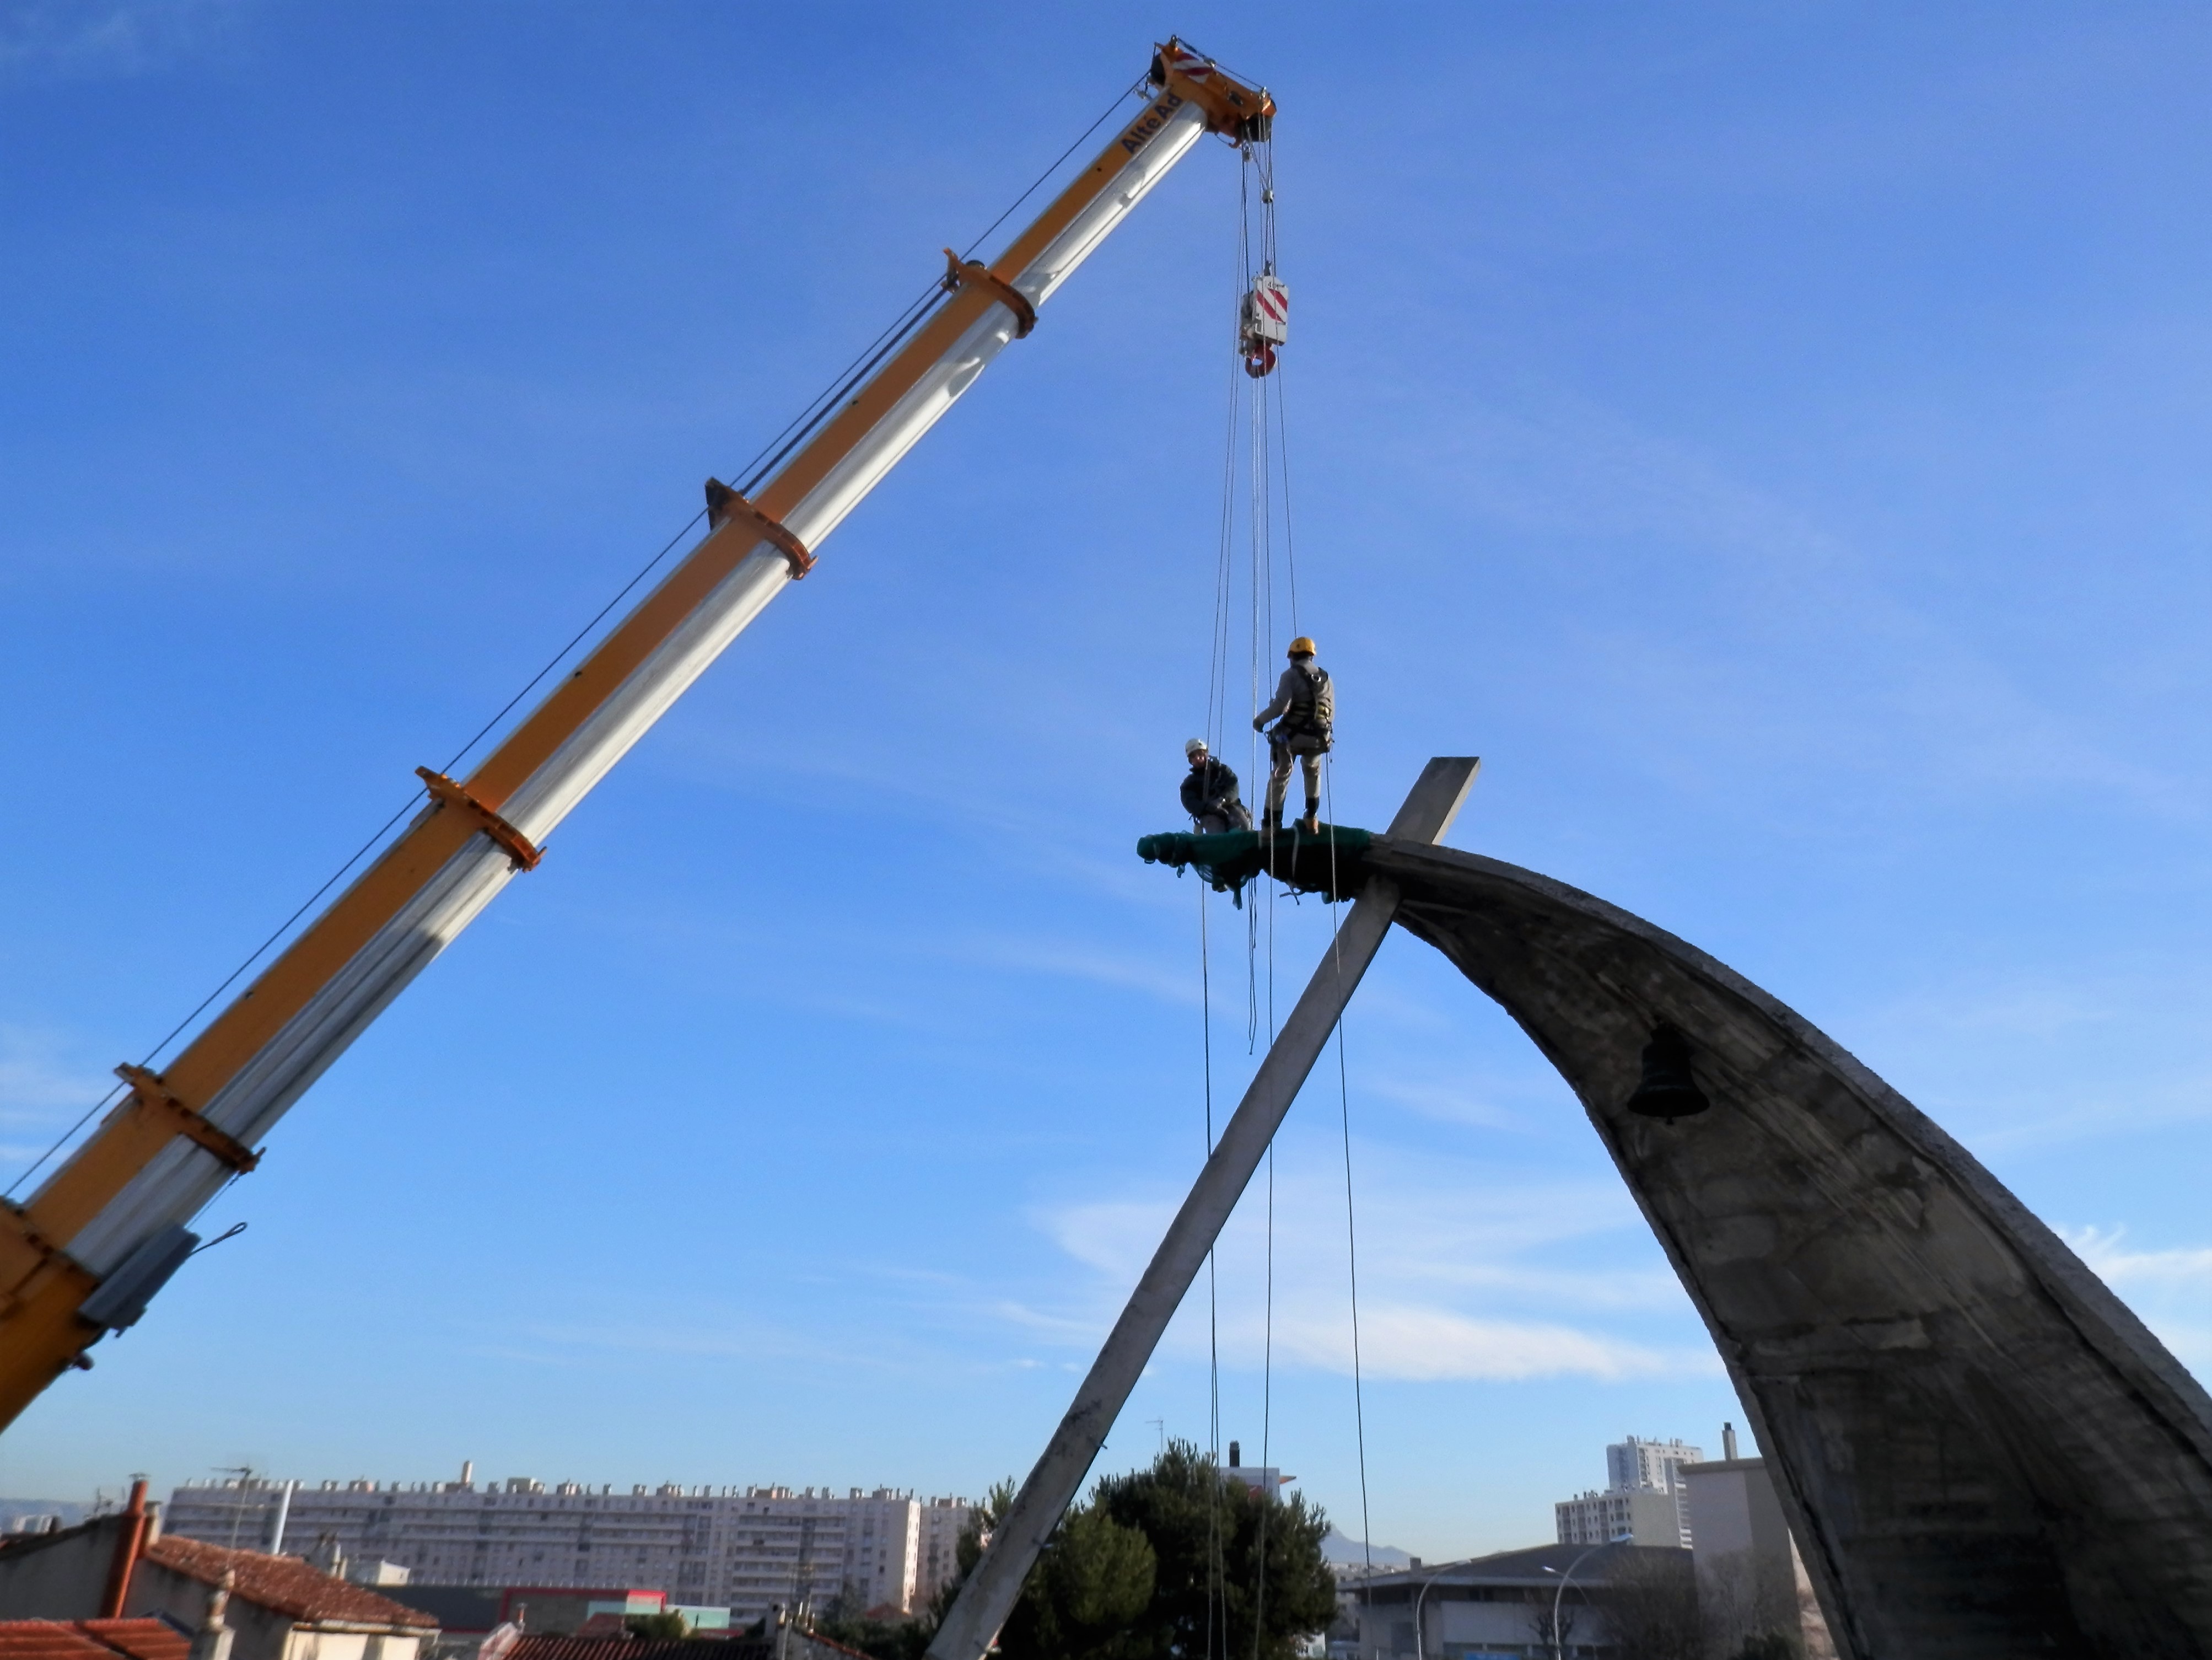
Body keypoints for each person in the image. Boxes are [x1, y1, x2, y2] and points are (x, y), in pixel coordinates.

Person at [1253, 635, 1333, 835]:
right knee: (1313, 770)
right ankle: (1312, 817)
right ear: (1312, 656)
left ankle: (1272, 824)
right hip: (1319, 737)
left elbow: (1280, 706)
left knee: (1281, 774)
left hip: (1292, 737)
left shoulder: (1290, 675)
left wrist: (1260, 720)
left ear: (1292, 657)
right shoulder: (1327, 678)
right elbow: (1330, 710)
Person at [1180, 738, 1251, 832]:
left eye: (1200, 754)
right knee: (1216, 832)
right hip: (1209, 814)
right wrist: (1207, 807)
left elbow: (1233, 786)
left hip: (1231, 807)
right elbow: (1190, 802)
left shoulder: (1222, 771)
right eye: (1193, 757)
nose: (1197, 758)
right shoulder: (1189, 784)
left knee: (1242, 826)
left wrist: (1223, 800)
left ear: (1206, 754)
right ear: (1191, 761)